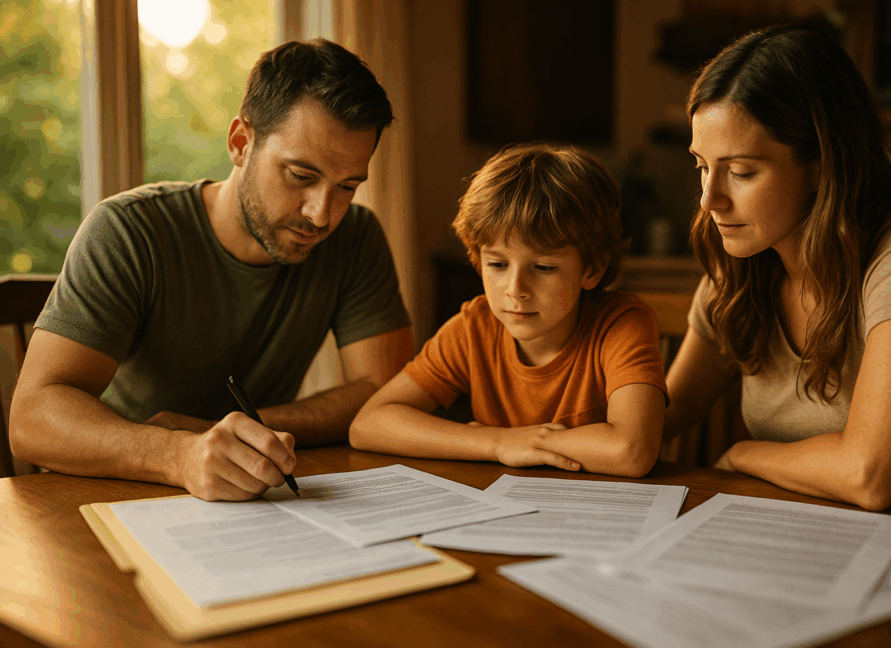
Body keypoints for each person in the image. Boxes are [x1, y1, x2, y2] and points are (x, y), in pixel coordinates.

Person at [10, 39, 414, 501]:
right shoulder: (127, 230)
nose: (322, 214)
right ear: (241, 143)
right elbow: (31, 418)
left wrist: (227, 434)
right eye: (301, 176)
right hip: (109, 492)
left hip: (252, 497)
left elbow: (386, 393)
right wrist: (180, 454)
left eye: (346, 186)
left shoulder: (355, 236)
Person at [662, 25, 891, 509]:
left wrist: (745, 455)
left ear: (821, 164)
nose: (710, 200)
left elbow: (870, 474)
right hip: (812, 533)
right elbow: (670, 409)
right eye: (702, 166)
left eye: (742, 171)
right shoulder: (740, 265)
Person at [349, 143, 667, 477]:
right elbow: (368, 424)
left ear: (592, 269)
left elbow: (631, 452)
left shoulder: (621, 324)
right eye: (498, 264)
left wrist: (524, 443)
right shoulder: (474, 328)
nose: (515, 289)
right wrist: (499, 442)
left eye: (543, 267)